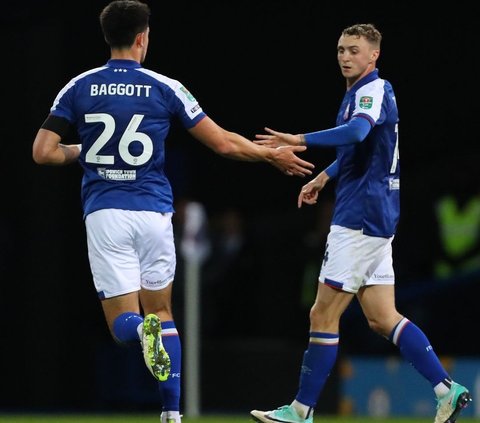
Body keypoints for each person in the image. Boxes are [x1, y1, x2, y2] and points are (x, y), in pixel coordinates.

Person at [31, 1, 315, 422]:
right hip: (154, 215)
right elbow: (222, 143)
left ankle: (141, 335)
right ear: (143, 37)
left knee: (124, 325)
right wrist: (267, 155)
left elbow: (42, 153)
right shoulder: (166, 87)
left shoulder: (79, 87)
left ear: (107, 36)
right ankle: (172, 413)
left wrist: (82, 150)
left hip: (106, 214)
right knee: (162, 313)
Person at [250, 23, 472, 423]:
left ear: (374, 56)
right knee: (382, 318)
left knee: (322, 314)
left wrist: (299, 139)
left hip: (360, 218)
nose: (345, 56)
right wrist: (324, 176)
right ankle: (447, 389)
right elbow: (364, 147)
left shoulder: (372, 90)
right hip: (376, 215)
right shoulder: (363, 93)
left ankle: (301, 410)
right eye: (340, 50)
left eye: (354, 50)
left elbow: (356, 132)